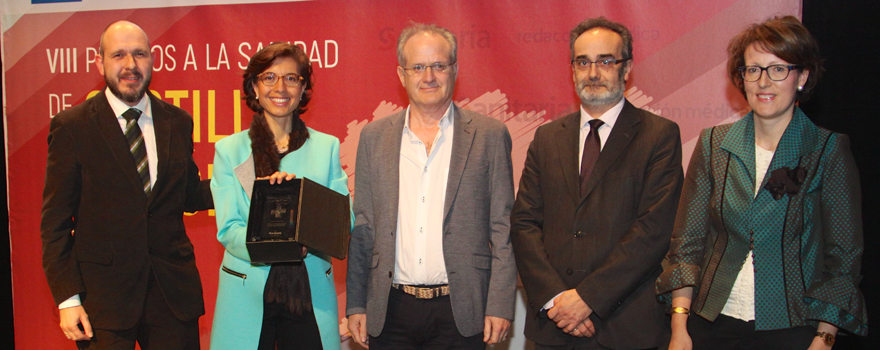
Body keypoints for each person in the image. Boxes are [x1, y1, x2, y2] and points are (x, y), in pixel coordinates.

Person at [656, 16, 867, 350]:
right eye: (753, 69)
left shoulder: (827, 150)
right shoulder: (714, 144)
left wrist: (824, 340)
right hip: (709, 324)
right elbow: (687, 242)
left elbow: (842, 258)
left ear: (803, 76)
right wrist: (679, 325)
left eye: (778, 69)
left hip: (794, 328)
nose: (763, 82)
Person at [511, 17, 683, 349]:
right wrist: (557, 300)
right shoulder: (547, 138)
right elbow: (524, 224)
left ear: (627, 67)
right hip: (552, 326)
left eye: (606, 61)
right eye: (583, 62)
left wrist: (587, 299)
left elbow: (653, 231)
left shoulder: (659, 136)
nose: (593, 73)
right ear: (572, 69)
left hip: (625, 327)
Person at [40, 20, 212, 349]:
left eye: (139, 54)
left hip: (172, 297)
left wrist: (243, 180)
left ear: (152, 60)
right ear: (99, 62)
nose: (130, 65)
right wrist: (67, 300)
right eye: (118, 55)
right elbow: (55, 223)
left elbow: (187, 196)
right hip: (102, 303)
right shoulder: (72, 127)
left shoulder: (177, 121)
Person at [345, 22, 516, 349]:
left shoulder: (489, 135)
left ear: (455, 70)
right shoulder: (374, 137)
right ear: (401, 74)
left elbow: (503, 226)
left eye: (439, 65)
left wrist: (499, 303)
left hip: (462, 309)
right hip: (390, 309)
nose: (429, 77)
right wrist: (356, 303)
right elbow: (364, 224)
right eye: (418, 67)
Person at [209, 42, 348, 350]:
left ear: (303, 89)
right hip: (247, 292)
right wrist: (271, 238)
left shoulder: (326, 148)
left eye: (291, 78)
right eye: (269, 77)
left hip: (308, 294)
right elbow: (228, 228)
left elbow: (342, 222)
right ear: (254, 88)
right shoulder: (229, 151)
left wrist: (300, 202)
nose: (280, 87)